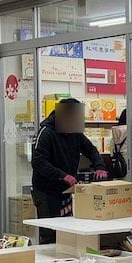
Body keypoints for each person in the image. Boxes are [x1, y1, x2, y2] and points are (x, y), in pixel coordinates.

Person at [31, 99, 108, 244]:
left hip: (68, 190)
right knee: (50, 232)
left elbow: (91, 150)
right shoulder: (46, 133)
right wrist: (62, 175)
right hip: (46, 191)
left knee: (67, 230)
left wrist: (99, 166)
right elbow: (38, 162)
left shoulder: (75, 133)